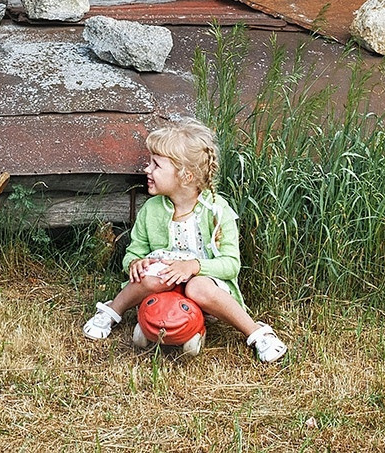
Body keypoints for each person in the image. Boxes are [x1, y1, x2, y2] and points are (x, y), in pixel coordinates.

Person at [80, 119, 286, 362]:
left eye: (156, 165)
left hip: (204, 287)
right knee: (155, 276)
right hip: (162, 284)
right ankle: (112, 311)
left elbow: (231, 264)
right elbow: (135, 250)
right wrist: (134, 263)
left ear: (185, 175)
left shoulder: (217, 211)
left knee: (196, 286)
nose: (147, 170)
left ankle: (256, 332)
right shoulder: (151, 210)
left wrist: (194, 267)